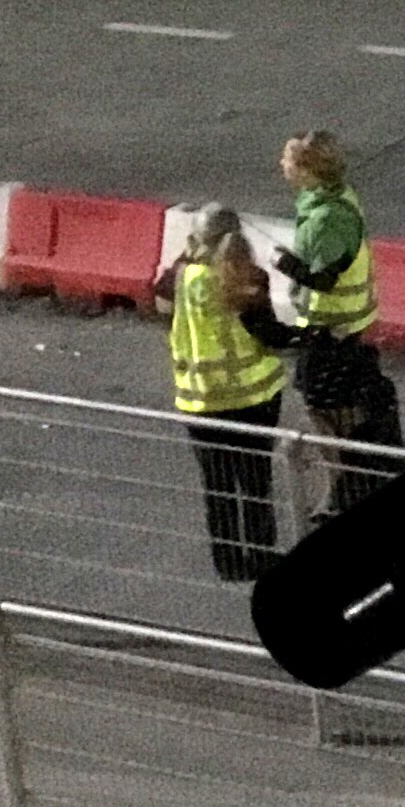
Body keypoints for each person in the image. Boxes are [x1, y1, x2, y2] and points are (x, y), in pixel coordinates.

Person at [155, 210, 302, 581]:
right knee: (255, 482)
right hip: (253, 400)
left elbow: (161, 294)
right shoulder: (248, 280)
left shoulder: (180, 279)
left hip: (200, 402)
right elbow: (269, 335)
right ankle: (260, 556)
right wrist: (307, 334)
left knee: (217, 486)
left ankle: (228, 562)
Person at [274, 130, 403, 515]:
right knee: (331, 403)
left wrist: (285, 263)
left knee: (326, 406)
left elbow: (325, 277)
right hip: (339, 325)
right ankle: (345, 486)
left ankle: (345, 489)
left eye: (288, 160)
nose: (281, 165)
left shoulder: (329, 218)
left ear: (307, 169)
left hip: (333, 329)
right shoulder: (329, 200)